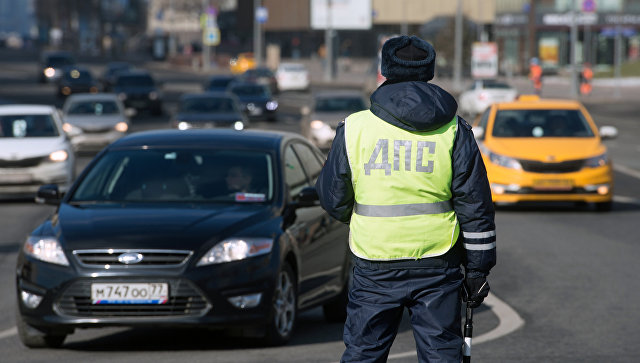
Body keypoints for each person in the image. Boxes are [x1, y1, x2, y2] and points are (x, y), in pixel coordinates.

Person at [316, 35, 496, 362]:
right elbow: (475, 206)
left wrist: (359, 218)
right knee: (442, 355)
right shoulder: (455, 130)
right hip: (437, 262)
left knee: (363, 354)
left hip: (374, 261)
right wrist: (478, 269)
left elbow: (333, 198)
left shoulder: (354, 128)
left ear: (385, 69)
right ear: (429, 69)